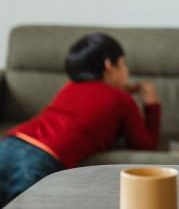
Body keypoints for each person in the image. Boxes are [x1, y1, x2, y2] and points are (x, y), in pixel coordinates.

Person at [0, 33, 161, 207]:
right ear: (109, 65)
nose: (127, 71)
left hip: (11, 143)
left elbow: (90, 105)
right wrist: (152, 105)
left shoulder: (70, 87)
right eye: (123, 64)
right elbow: (144, 146)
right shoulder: (122, 100)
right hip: (40, 158)